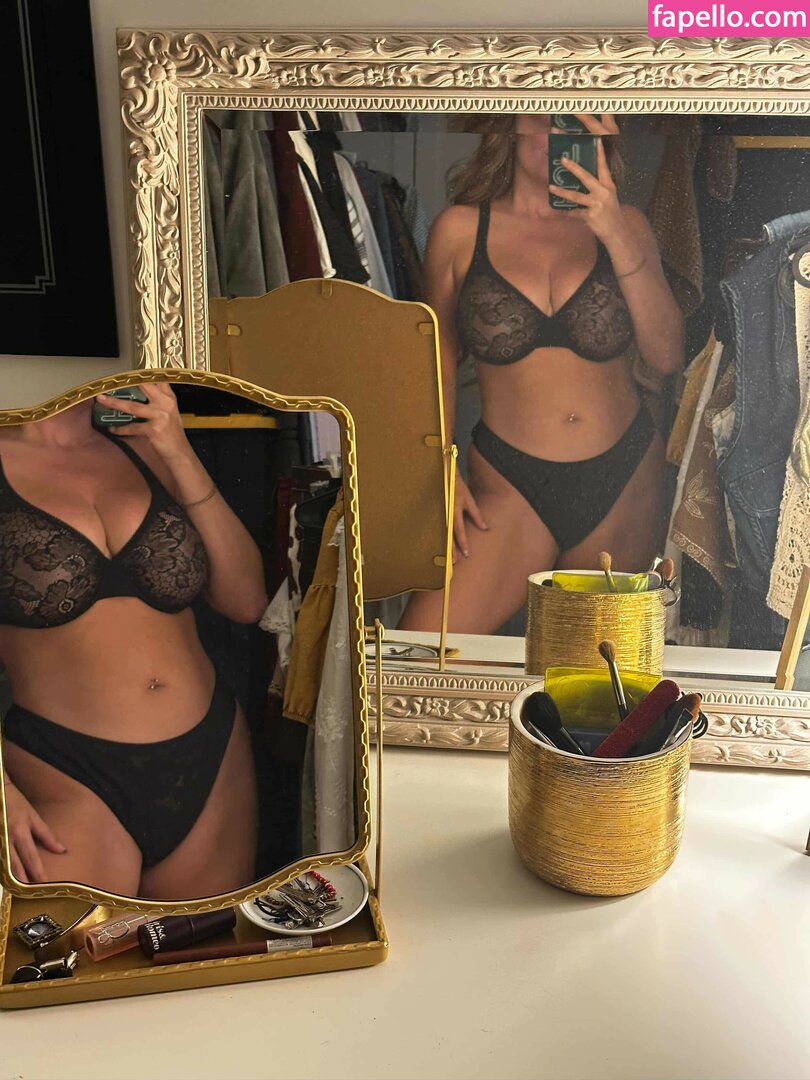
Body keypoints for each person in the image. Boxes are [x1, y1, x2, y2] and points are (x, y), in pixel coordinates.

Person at [400, 114, 683, 634]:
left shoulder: (628, 225)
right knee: (420, 649)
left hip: (624, 478)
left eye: (575, 122)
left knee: (595, 671)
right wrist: (438, 464)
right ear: (510, 124)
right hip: (509, 484)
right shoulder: (459, 230)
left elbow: (666, 355)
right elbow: (431, 361)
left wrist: (615, 233)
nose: (559, 134)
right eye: (545, 117)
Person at [0, 383, 268, 899]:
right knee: (72, 954)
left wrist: (178, 451)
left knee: (205, 954)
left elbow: (247, 601)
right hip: (65, 772)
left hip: (212, 756)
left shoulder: (147, 444)